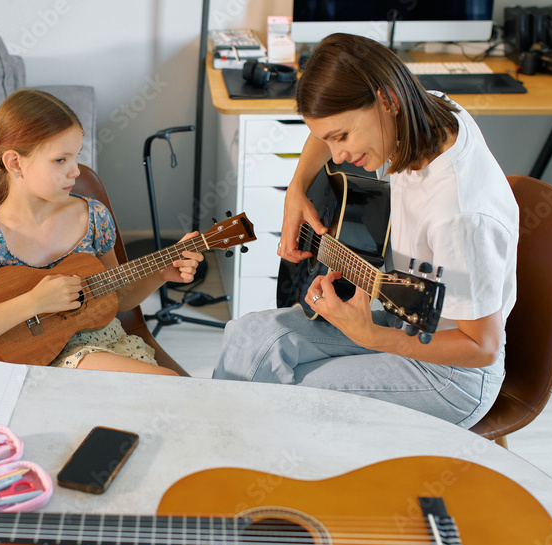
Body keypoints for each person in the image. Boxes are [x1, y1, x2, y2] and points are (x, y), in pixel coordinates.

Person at [213, 33, 518, 428]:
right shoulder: (428, 111)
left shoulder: (459, 213)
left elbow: (483, 347)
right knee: (247, 337)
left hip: (451, 376)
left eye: (342, 137)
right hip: (403, 318)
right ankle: (219, 439)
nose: (338, 156)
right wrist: (296, 189)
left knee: (289, 399)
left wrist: (371, 337)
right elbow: (324, 129)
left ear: (387, 100)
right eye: (330, 139)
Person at [0, 89, 203, 375]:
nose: (75, 171)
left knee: (166, 390)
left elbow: (118, 297)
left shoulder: (93, 218)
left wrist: (161, 274)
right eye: (60, 160)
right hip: (45, 362)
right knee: (167, 381)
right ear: (15, 163)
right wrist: (34, 302)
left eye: (75, 157)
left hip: (108, 344)